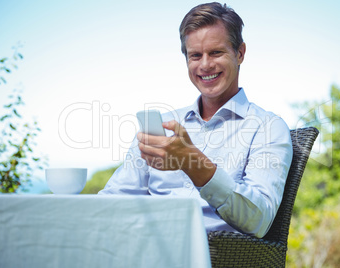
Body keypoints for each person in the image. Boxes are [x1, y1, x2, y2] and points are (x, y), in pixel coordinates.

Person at [99, 2, 293, 238]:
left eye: (216, 52)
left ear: (239, 53)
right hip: (148, 249)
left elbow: (258, 220)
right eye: (195, 56)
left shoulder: (268, 127)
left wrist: (194, 163)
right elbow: (114, 199)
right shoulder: (164, 125)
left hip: (217, 256)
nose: (205, 65)